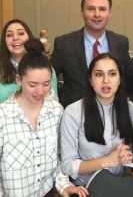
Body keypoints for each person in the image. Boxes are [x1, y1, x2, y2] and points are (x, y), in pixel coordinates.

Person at [0, 38, 87, 197]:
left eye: (46, 84)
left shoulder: (56, 111)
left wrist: (64, 185)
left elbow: (60, 155)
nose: (40, 91)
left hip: (48, 193)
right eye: (32, 85)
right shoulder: (3, 115)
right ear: (19, 80)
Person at [60, 53, 133, 186]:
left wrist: (129, 157)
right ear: (90, 80)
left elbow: (130, 149)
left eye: (112, 74)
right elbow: (67, 166)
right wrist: (108, 160)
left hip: (121, 183)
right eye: (99, 74)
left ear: (119, 79)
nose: (106, 80)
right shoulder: (73, 112)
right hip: (87, 187)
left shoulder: (130, 109)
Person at [52, 0, 133, 107]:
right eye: (91, 9)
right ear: (82, 12)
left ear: (109, 13)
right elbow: (49, 78)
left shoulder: (120, 42)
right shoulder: (64, 44)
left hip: (112, 112)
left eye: (102, 9)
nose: (97, 14)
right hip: (76, 116)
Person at [0, 19, 58, 103]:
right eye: (9, 35)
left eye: (21, 33)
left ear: (29, 37)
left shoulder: (45, 68)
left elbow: (53, 103)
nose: (15, 38)